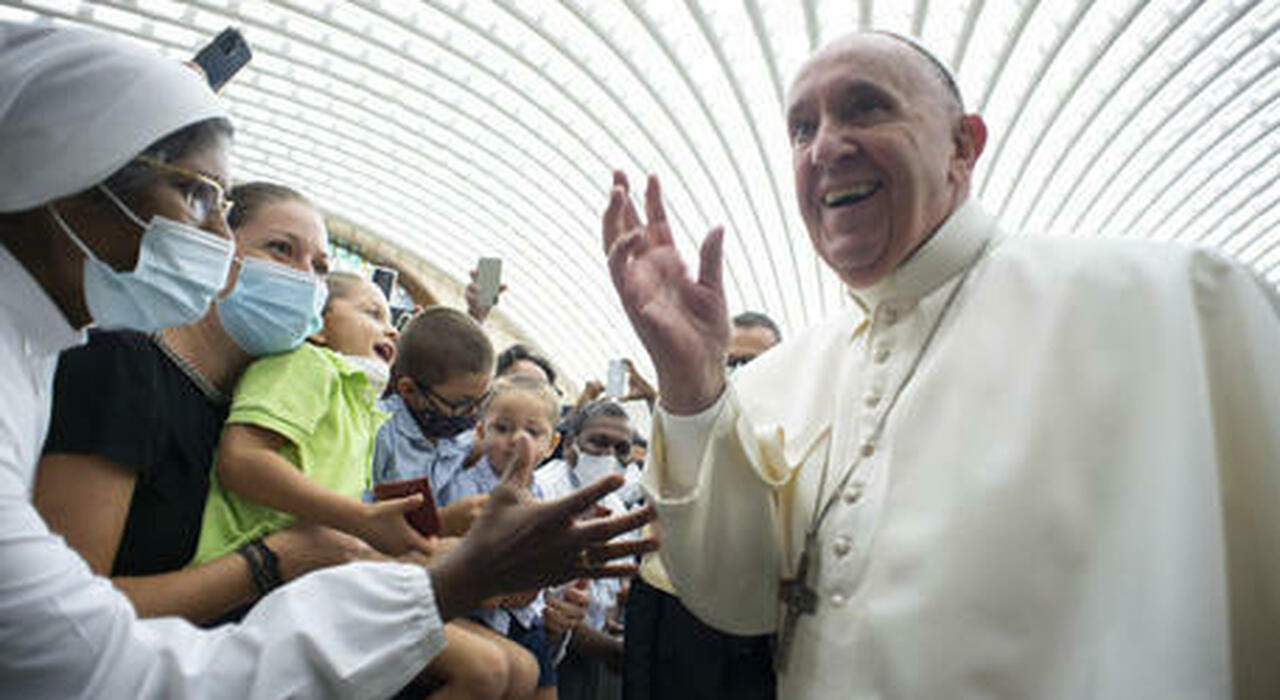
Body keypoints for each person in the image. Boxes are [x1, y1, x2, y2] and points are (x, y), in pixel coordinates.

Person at [603, 29, 1280, 700]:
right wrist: (692, 387)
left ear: (964, 145)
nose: (827, 147)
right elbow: (741, 600)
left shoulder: (1172, 304)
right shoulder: (789, 372)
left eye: (864, 108)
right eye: (801, 128)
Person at [0, 22, 654, 698]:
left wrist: (461, 546)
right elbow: (73, 656)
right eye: (198, 196)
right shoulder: (114, 364)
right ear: (67, 171)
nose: (216, 237)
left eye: (319, 265)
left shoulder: (124, 361)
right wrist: (293, 561)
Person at [623, 313, 780, 700]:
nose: (745, 373)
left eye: (759, 362)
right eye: (734, 362)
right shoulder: (681, 436)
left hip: (767, 643)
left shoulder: (805, 435)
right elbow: (651, 573)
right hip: (682, 634)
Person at [441, 373, 571, 699]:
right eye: (503, 428)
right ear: (481, 431)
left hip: (527, 621)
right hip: (471, 616)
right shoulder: (463, 486)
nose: (518, 440)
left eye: (533, 431)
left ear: (551, 444)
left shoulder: (544, 495)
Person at [537, 401, 636, 700]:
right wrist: (615, 650)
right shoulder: (544, 493)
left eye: (621, 449)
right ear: (569, 446)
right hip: (543, 651)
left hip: (588, 656)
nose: (609, 456)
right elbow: (543, 604)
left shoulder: (618, 506)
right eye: (598, 443)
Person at [372, 305, 497, 534]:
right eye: (462, 404)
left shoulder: (459, 439)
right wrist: (441, 524)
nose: (473, 414)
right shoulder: (378, 435)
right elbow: (357, 521)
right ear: (409, 390)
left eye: (482, 401)